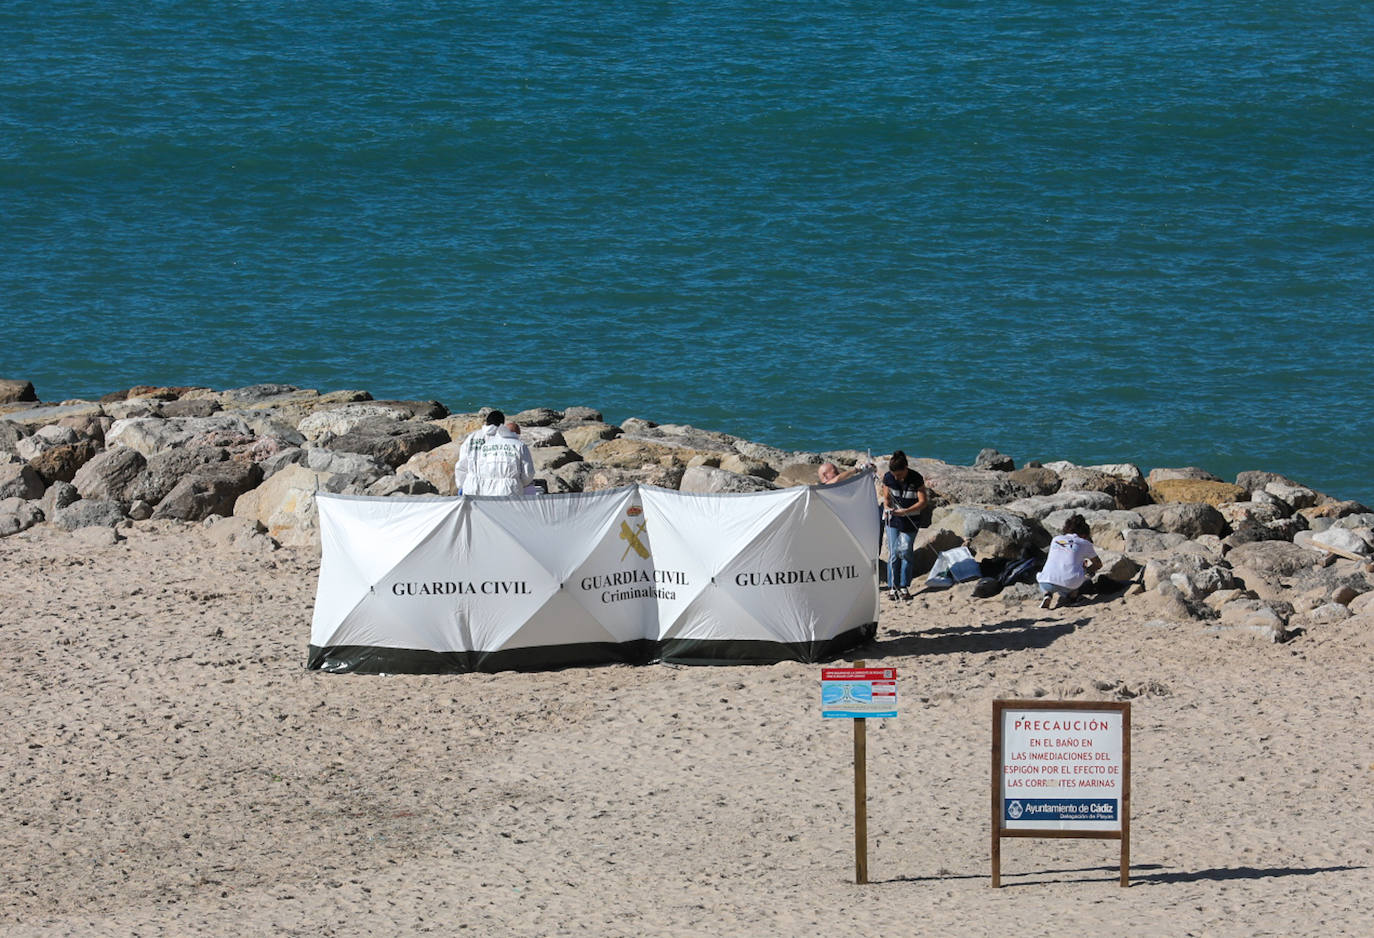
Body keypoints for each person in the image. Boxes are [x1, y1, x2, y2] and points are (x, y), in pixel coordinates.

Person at [453, 410, 536, 497]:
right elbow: (526, 473)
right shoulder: (502, 439)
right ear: (502, 424)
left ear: (486, 422)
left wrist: (461, 485)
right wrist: (519, 483)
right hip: (492, 485)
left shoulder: (471, 438)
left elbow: (461, 465)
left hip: (471, 484)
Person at [881, 450, 928, 601]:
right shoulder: (888, 477)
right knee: (894, 553)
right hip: (893, 519)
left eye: (899, 475)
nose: (896, 478)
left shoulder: (916, 478)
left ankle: (904, 586)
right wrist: (887, 507)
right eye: (894, 475)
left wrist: (906, 511)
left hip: (911, 520)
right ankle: (892, 587)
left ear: (906, 468)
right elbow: (886, 498)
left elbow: (923, 502)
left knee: (906, 551)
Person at [1037, 514, 1102, 609]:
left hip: (1047, 581)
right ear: (1084, 534)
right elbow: (1098, 564)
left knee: (1045, 577)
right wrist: (1085, 570)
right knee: (1075, 578)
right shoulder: (1085, 543)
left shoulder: (1056, 539)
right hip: (1070, 583)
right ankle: (1072, 596)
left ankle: (1047, 594)